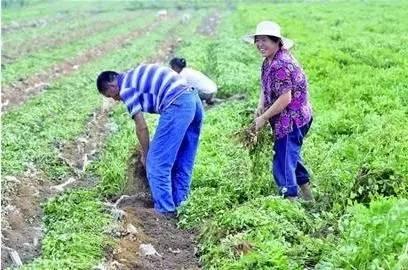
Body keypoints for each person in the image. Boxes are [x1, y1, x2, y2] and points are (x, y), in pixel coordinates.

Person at [96, 64, 204, 214]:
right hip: (193, 99)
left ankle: (165, 213)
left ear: (112, 86)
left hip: (178, 103)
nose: (114, 99)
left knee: (156, 162)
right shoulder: (133, 76)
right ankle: (181, 205)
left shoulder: (126, 88)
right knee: (182, 160)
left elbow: (141, 127)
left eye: (110, 95)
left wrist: (146, 155)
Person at [244, 21, 314, 201]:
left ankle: (290, 202)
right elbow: (264, 85)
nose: (260, 44)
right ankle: (309, 198)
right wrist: (261, 104)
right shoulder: (269, 61)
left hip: (292, 120)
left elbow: (285, 98)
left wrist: (264, 118)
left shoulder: (280, 64)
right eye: (257, 40)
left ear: (277, 42)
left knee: (282, 163)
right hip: (287, 117)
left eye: (264, 40)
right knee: (290, 156)